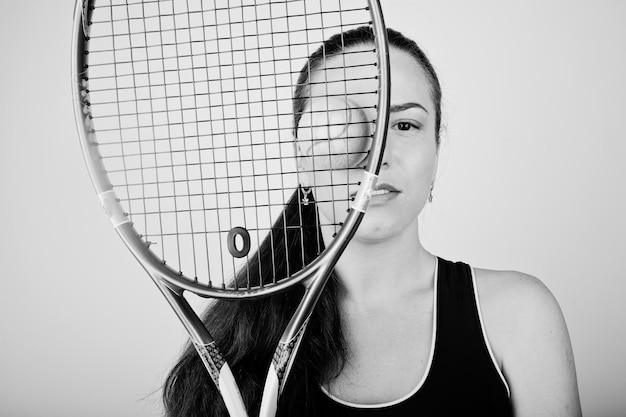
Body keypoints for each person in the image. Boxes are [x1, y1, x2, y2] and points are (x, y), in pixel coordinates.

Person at [163, 27, 582, 417]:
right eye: (340, 125)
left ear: (436, 153)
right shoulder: (235, 344)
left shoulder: (519, 315)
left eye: (404, 124)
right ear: (303, 163)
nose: (374, 153)